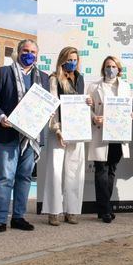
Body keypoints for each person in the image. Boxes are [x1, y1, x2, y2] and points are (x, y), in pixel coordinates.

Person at [0, 39, 50, 236]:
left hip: (31, 137)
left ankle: (18, 217)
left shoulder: (44, 78)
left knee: (24, 178)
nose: (28, 54)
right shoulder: (4, 72)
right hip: (8, 134)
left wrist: (48, 112)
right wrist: (1, 116)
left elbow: (45, 103)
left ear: (37, 55)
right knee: (5, 178)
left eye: (32, 51)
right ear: (18, 52)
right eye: (25, 50)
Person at [42, 46, 92, 226]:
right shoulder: (54, 79)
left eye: (75, 59)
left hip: (77, 131)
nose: (72, 62)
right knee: (55, 171)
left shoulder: (80, 79)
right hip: (59, 131)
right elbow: (52, 106)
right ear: (62, 60)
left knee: (75, 172)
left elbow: (81, 105)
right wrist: (57, 129)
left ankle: (72, 210)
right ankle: (54, 211)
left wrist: (88, 103)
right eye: (69, 59)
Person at [87, 56, 133, 223]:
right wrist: (93, 117)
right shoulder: (94, 87)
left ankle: (104, 208)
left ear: (118, 69)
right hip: (101, 134)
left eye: (113, 66)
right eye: (108, 66)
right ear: (103, 68)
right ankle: (105, 209)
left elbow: (128, 107)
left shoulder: (126, 86)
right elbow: (87, 108)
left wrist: (131, 114)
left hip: (117, 135)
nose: (110, 69)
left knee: (112, 170)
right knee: (101, 171)